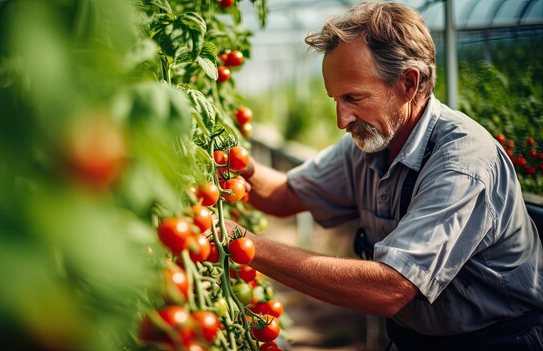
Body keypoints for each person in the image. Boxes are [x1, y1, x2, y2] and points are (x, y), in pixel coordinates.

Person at [224, 2, 543, 350]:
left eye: (353, 97)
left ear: (408, 83)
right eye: (335, 99)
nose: (341, 119)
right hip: (412, 338)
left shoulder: (463, 163)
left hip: (496, 342)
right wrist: (232, 164)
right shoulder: (369, 143)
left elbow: (391, 287)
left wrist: (240, 242)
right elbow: (284, 195)